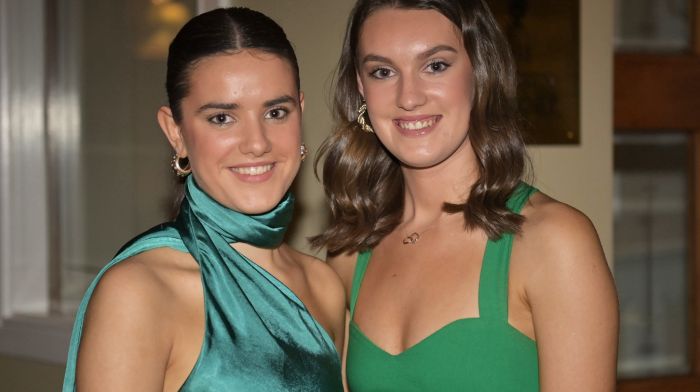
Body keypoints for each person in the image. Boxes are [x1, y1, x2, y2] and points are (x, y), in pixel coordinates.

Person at [311, 0, 618, 391]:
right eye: (383, 72)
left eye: (435, 65)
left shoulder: (554, 241)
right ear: (360, 87)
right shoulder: (349, 251)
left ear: (480, 71)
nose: (409, 97)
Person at [63, 7, 345, 391]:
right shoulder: (139, 292)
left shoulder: (323, 286)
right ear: (175, 131)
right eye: (222, 118)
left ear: (300, 114)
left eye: (276, 112)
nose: (257, 143)